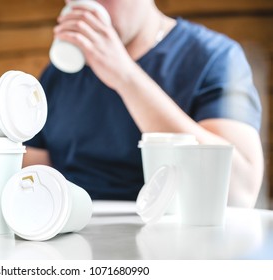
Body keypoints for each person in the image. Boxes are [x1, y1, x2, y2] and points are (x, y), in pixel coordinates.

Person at [23, 0, 264, 208]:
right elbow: (31, 180)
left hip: (171, 239)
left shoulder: (214, 57)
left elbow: (239, 191)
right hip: (73, 234)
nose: (89, 5)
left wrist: (125, 76)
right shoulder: (59, 74)